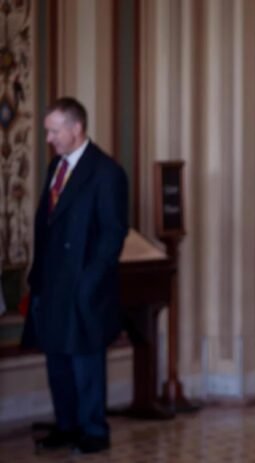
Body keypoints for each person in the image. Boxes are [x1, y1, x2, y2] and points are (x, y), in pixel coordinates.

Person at [21, 97, 128, 454]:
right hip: (51, 285)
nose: (49, 138)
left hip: (83, 287)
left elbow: (113, 234)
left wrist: (88, 283)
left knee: (86, 363)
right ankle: (66, 427)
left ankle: (94, 431)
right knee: (58, 362)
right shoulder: (56, 167)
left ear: (76, 128)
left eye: (54, 131)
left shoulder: (106, 172)